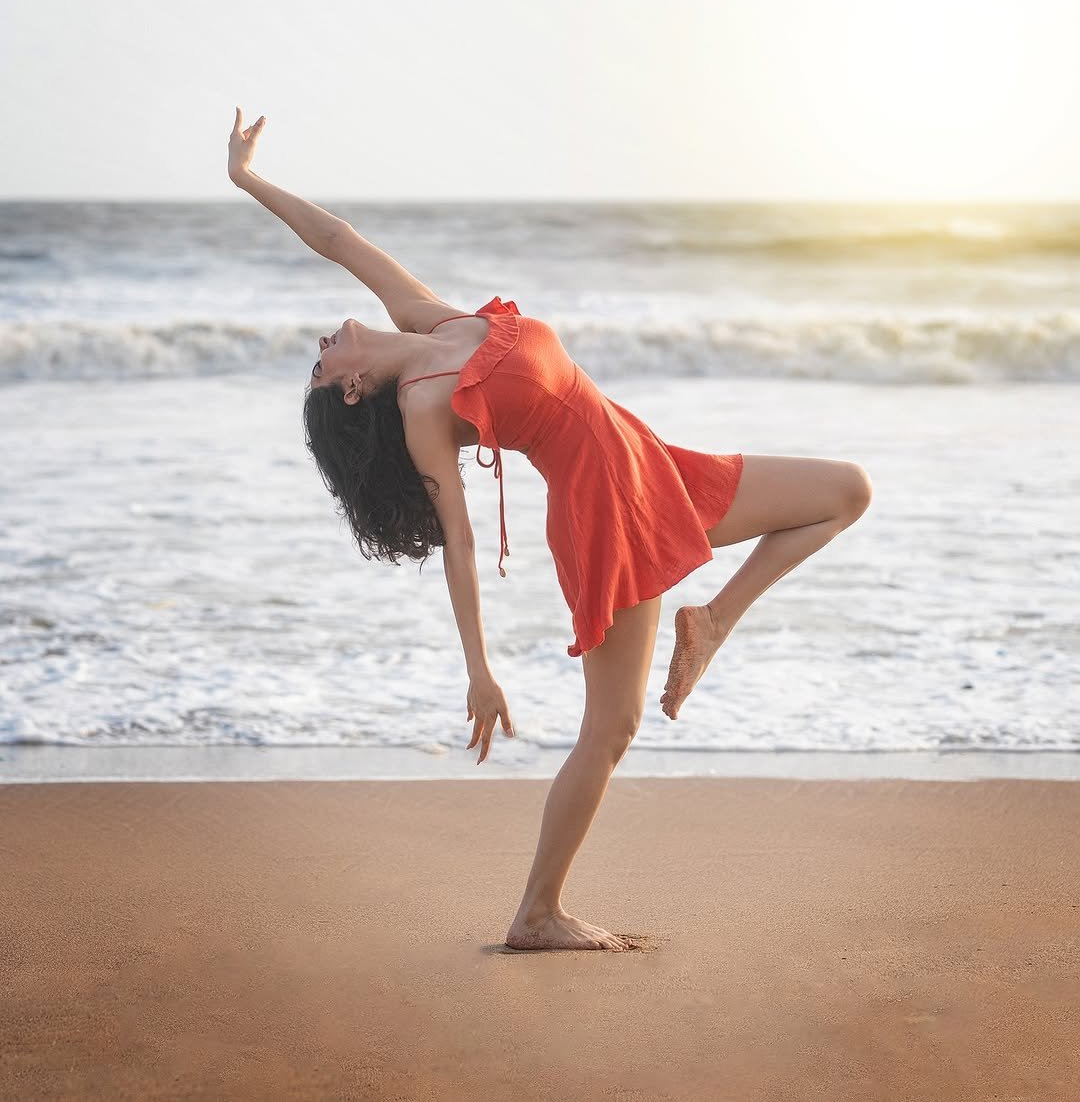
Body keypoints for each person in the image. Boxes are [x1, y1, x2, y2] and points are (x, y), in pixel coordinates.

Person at [228, 108, 873, 952]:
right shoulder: (426, 408)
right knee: (611, 730)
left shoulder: (432, 321)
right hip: (603, 507)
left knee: (845, 491)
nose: (322, 343)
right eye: (320, 365)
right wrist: (480, 669)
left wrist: (248, 180)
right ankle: (538, 912)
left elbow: (338, 239)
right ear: (350, 392)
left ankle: (713, 620)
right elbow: (459, 540)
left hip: (650, 460)